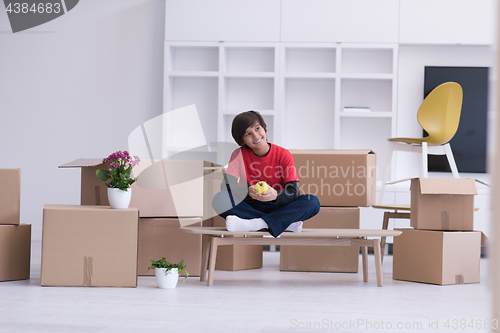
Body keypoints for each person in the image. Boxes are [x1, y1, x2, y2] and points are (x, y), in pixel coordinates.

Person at [211, 110, 320, 238]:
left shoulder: (283, 155)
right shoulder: (238, 154)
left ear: (265, 127)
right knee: (219, 199)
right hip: (250, 205)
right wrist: (247, 191)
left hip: (278, 206)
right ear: (242, 140)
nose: (256, 136)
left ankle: (255, 223)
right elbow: (226, 187)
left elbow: (293, 193)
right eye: (248, 134)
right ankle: (281, 223)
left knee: (312, 202)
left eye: (257, 128)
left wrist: (276, 195)